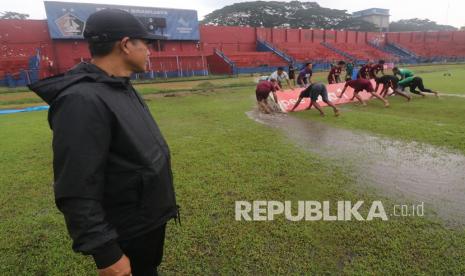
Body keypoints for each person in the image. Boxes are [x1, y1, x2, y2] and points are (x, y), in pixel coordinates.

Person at [29, 9, 179, 276]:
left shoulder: (120, 86)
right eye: (145, 44)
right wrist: (106, 252)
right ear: (125, 45)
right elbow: (76, 186)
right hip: (125, 233)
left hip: (145, 223)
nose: (150, 51)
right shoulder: (81, 100)